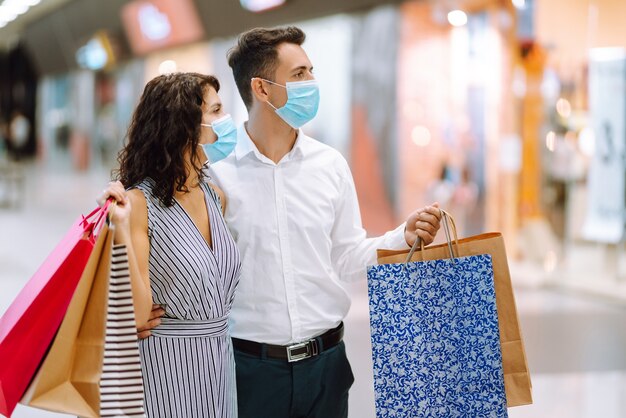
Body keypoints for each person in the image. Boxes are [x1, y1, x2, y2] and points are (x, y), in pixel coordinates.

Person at [134, 27, 440, 418]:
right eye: (298, 74)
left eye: (310, 71)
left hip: (326, 365)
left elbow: (346, 256)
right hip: (247, 371)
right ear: (261, 89)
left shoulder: (330, 166)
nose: (311, 82)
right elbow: (161, 230)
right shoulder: (214, 176)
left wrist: (402, 236)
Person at [100, 72, 241, 417]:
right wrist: (119, 228)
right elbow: (137, 310)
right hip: (164, 367)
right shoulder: (138, 204)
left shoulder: (215, 195)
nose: (226, 122)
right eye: (216, 111)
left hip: (220, 365)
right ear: (184, 125)